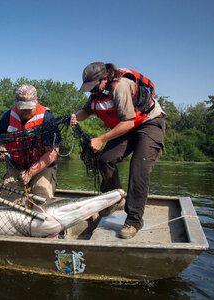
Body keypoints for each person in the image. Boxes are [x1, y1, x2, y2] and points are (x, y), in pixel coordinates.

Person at [71, 63, 166, 239]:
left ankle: (134, 220)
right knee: (105, 159)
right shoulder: (97, 92)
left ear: (105, 78)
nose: (91, 91)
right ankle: (115, 198)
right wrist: (73, 118)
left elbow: (128, 122)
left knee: (139, 169)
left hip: (149, 123)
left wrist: (101, 139)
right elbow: (86, 110)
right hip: (127, 126)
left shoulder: (120, 87)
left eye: (93, 86)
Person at [0, 84, 60, 204]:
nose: (25, 111)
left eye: (29, 107)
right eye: (21, 107)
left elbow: (53, 153)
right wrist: (0, 148)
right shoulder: (7, 117)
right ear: (16, 103)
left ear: (36, 101)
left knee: (42, 200)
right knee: (7, 203)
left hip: (42, 167)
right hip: (15, 167)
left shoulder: (47, 118)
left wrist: (30, 172)